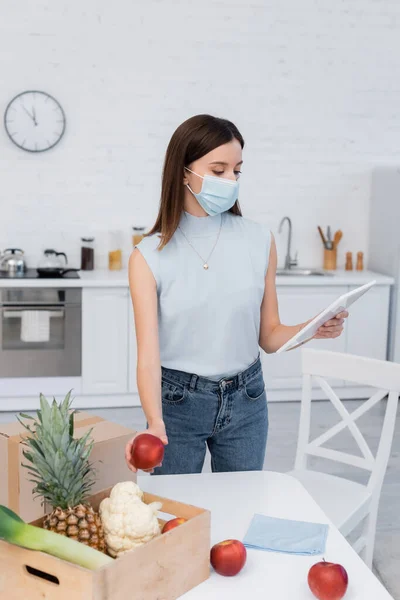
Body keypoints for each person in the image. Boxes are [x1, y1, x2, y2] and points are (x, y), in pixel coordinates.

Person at [125, 114, 348, 475]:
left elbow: (271, 338)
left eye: (236, 171)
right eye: (218, 170)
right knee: (177, 515)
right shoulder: (148, 256)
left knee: (243, 508)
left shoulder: (259, 240)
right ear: (184, 172)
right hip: (179, 403)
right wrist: (155, 422)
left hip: (248, 398)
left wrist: (314, 327)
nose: (230, 180)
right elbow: (148, 358)